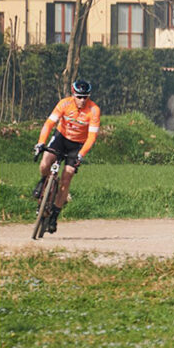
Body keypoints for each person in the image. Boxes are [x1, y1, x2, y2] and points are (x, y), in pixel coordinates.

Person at [32, 79, 101, 234]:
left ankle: (54, 216)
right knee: (45, 163)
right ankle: (44, 182)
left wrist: (81, 155)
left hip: (77, 145)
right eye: (79, 96)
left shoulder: (94, 110)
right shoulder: (64, 104)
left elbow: (92, 137)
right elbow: (49, 124)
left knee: (67, 176)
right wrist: (41, 143)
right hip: (61, 138)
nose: (82, 100)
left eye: (85, 97)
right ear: (73, 94)